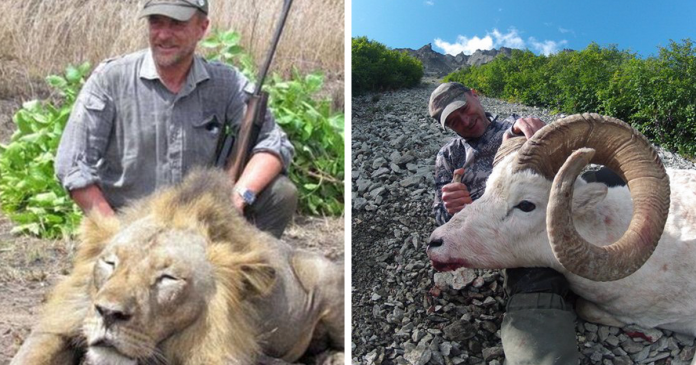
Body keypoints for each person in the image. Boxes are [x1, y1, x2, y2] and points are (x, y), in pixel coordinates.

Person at [55, 0, 297, 238]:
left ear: (202, 27)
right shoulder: (110, 79)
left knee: (280, 193)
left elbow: (274, 142)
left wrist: (238, 198)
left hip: (199, 223)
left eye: (176, 24)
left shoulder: (226, 82)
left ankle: (238, 272)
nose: (163, 35)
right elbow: (72, 165)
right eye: (156, 22)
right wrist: (116, 235)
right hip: (130, 223)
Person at [429, 82, 579, 364]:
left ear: (474, 95)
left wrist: (543, 134)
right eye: (452, 121)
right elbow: (439, 213)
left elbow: (568, 170)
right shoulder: (448, 157)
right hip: (495, 238)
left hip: (538, 222)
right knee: (535, 278)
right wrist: (452, 208)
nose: (464, 120)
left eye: (464, 109)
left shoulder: (518, 127)